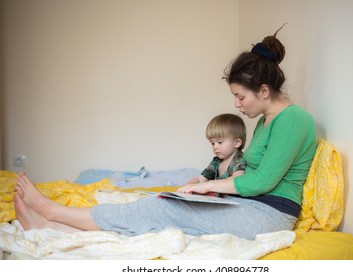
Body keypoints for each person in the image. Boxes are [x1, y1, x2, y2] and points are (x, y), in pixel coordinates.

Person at [13, 26, 317, 240]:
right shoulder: (265, 120)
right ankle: (53, 228)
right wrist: (206, 184)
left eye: (240, 97)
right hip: (253, 205)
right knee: (165, 203)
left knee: (166, 208)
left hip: (269, 216)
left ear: (263, 90)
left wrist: (203, 188)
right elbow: (250, 173)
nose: (236, 104)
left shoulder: (293, 119)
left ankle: (52, 212)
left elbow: (262, 181)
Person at [185, 113, 247, 188]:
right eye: (212, 143)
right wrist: (186, 186)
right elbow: (200, 179)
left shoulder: (239, 160)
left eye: (220, 142)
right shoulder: (216, 162)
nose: (215, 147)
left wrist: (210, 185)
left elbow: (237, 180)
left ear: (236, 143)